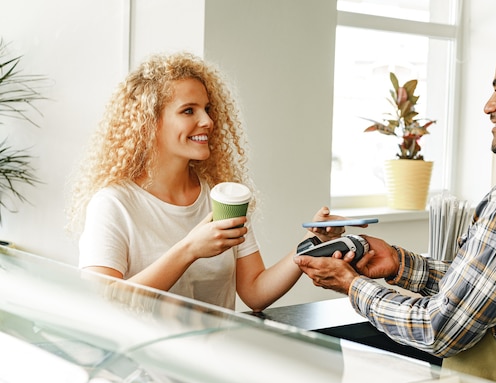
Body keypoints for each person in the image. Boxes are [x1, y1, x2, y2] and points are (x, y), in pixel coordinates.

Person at [294, 29, 496, 383]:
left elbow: (441, 329)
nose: (488, 106)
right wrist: (399, 264)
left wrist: (352, 286)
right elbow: (491, 289)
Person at [67, 52, 342, 312]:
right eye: (189, 111)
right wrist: (189, 249)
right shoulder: (113, 204)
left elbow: (255, 292)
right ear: (149, 123)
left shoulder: (220, 195)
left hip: (216, 358)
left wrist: (311, 242)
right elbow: (101, 303)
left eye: (207, 109)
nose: (208, 121)